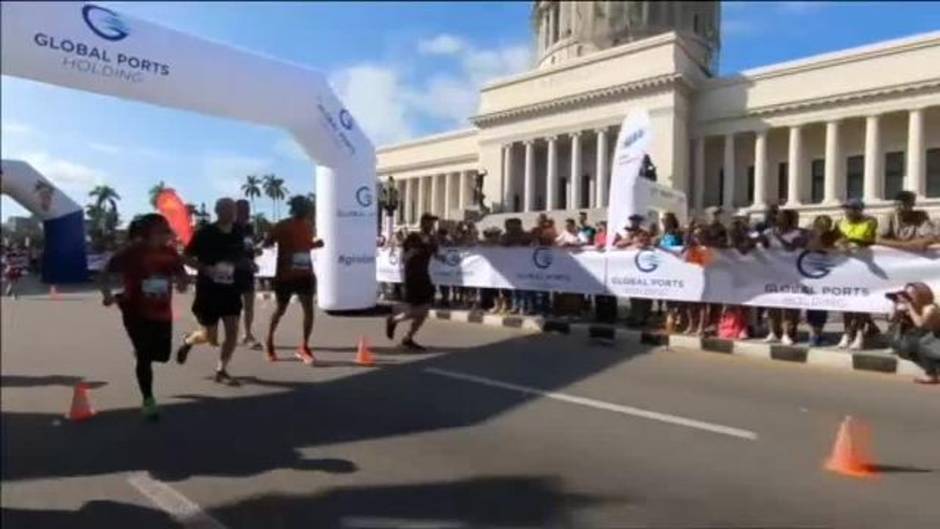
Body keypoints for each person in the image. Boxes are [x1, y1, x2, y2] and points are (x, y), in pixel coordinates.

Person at [99, 214, 188, 420]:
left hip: (162, 312)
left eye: (168, 229)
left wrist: (183, 282)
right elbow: (104, 273)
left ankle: (142, 352)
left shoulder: (170, 253)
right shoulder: (131, 253)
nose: (168, 233)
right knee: (145, 356)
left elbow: (181, 274)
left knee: (163, 355)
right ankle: (148, 399)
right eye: (163, 229)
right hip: (134, 310)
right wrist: (107, 295)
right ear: (149, 233)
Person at [175, 198, 252, 385]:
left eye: (232, 209)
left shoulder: (238, 232)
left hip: (230, 289)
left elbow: (239, 256)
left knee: (232, 332)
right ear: (217, 211)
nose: (231, 213)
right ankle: (188, 341)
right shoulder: (205, 233)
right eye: (226, 209)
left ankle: (221, 370)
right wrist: (205, 268)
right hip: (208, 290)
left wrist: (249, 264)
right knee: (209, 337)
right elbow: (184, 257)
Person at [263, 195, 324, 363]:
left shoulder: (308, 226)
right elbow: (267, 242)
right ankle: (269, 341)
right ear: (297, 209)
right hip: (285, 275)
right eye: (305, 208)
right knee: (280, 310)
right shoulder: (282, 225)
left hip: (305, 274)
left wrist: (316, 245)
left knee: (309, 311)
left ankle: (304, 346)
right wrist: (269, 241)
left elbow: (305, 245)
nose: (307, 212)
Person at [386, 213, 442, 350]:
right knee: (417, 309)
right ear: (423, 223)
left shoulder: (432, 239)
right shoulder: (413, 237)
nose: (432, 225)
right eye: (429, 222)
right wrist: (424, 244)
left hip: (424, 275)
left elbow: (436, 254)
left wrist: (440, 253)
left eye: (433, 223)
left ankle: (408, 338)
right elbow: (408, 255)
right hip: (413, 276)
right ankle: (393, 320)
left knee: (425, 309)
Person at [835, 198, 879, 350]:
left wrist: (850, 240)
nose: (846, 211)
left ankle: (860, 334)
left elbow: (870, 240)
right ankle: (847, 334)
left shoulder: (870, 222)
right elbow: (835, 238)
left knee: (860, 302)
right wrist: (839, 243)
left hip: (863, 267)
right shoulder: (840, 222)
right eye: (845, 208)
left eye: (850, 208)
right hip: (845, 268)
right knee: (846, 302)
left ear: (858, 210)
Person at [762, 209, 806, 345]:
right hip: (773, 272)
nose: (778, 219)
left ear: (788, 219)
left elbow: (791, 248)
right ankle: (773, 332)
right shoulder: (769, 232)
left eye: (781, 217)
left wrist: (778, 237)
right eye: (777, 216)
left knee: (788, 304)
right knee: (771, 304)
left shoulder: (797, 233)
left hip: (791, 273)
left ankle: (787, 333)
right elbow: (762, 247)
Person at [888, 282, 940, 384]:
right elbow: (891, 319)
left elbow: (920, 324)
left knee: (921, 343)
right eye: (906, 294)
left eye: (911, 294)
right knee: (901, 344)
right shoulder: (909, 306)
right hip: (922, 339)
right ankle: (932, 371)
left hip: (935, 338)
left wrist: (909, 306)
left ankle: (931, 374)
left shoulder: (930, 308)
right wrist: (895, 305)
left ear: (922, 294)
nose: (908, 297)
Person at [805, 214, 838, 346]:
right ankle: (813, 334)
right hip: (810, 274)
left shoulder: (831, 237)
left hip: (825, 276)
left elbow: (840, 246)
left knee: (820, 306)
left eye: (826, 225)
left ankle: (816, 334)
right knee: (810, 305)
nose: (823, 227)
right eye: (821, 224)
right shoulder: (810, 236)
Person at [234, 199, 261, 347]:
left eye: (248, 209)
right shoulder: (231, 228)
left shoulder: (249, 228)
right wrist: (248, 261)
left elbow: (248, 246)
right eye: (243, 209)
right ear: (236, 211)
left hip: (247, 272)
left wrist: (255, 250)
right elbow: (232, 251)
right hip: (233, 272)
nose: (247, 212)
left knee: (249, 305)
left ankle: (247, 334)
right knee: (231, 307)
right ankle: (228, 333)